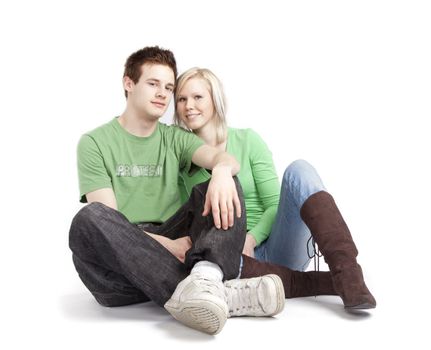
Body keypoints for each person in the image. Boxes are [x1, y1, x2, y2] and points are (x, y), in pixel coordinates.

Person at [69, 46, 285, 336]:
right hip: (123, 263)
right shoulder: (94, 143)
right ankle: (223, 293)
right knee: (89, 218)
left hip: (177, 242)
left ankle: (206, 282)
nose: (163, 93)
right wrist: (167, 246)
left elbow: (224, 159)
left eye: (169, 87)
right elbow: (110, 221)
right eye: (153, 84)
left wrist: (220, 171)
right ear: (128, 83)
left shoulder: (176, 138)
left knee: (225, 184)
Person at [174, 67, 376, 310]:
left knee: (299, 170)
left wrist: (251, 238)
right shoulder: (182, 163)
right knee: (208, 260)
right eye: (181, 99)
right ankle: (320, 283)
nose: (188, 106)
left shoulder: (248, 141)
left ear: (215, 100)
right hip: (234, 261)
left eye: (197, 97)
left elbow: (273, 206)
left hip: (277, 245)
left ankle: (348, 273)